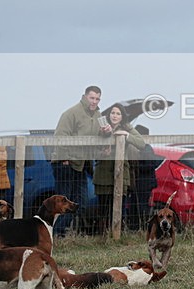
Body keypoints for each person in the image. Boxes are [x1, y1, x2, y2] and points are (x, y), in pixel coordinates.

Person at [52, 86, 112, 235]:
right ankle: (55, 234)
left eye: (97, 98)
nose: (94, 101)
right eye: (92, 98)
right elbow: (60, 136)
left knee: (81, 202)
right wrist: (64, 158)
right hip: (66, 163)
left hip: (82, 164)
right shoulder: (71, 113)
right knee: (62, 203)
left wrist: (106, 133)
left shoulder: (99, 115)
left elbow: (99, 138)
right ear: (85, 97)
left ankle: (66, 232)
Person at [93, 103, 146, 235]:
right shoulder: (101, 127)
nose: (115, 116)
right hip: (103, 174)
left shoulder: (127, 127)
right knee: (103, 208)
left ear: (122, 116)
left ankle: (118, 235)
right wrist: (102, 153)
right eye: (112, 113)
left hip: (121, 173)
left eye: (118, 113)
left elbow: (141, 143)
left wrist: (126, 135)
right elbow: (93, 150)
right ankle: (103, 236)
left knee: (119, 207)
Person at [127, 125, 160, 231]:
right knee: (135, 208)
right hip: (140, 183)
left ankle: (141, 228)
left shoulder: (146, 149)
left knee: (140, 208)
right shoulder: (143, 148)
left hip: (144, 184)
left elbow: (151, 164)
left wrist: (134, 166)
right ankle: (136, 228)